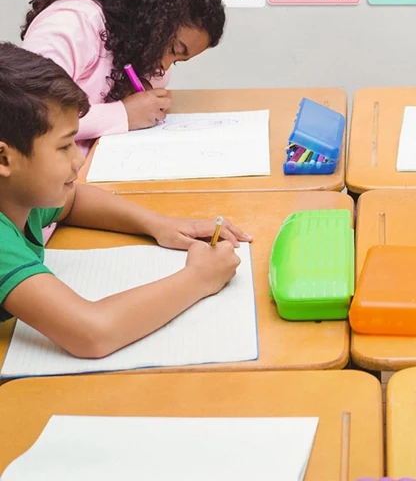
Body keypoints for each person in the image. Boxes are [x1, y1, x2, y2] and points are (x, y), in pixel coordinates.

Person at [0, 43, 249, 359]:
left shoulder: (19, 195)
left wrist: (159, 224)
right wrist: (199, 278)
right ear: (4, 158)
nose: (78, 161)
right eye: (64, 147)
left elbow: (73, 202)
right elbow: (92, 333)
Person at [21, 0, 225, 152]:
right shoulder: (71, 24)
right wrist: (123, 114)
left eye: (177, 62)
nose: (164, 67)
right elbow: (30, 116)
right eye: (173, 50)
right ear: (152, 15)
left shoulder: (135, 48)